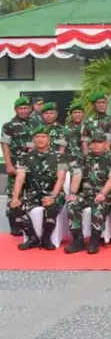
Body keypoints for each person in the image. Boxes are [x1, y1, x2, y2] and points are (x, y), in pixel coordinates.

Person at [9, 126, 67, 250]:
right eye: (37, 137)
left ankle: (46, 238)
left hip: (53, 193)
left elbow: (61, 178)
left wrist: (53, 196)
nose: (40, 139)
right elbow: (20, 178)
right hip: (34, 193)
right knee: (13, 208)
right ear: (33, 140)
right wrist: (15, 198)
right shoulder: (25, 157)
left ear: (49, 139)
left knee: (51, 207)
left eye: (44, 137)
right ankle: (32, 237)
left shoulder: (59, 156)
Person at [65, 129, 111, 254]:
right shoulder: (84, 158)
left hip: (105, 195)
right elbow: (77, 176)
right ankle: (78, 240)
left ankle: (94, 241)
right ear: (90, 144)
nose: (96, 145)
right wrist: (73, 193)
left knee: (98, 205)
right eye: (94, 142)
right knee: (72, 204)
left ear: (105, 144)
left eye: (99, 142)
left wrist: (103, 193)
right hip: (86, 194)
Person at [2, 97, 41, 236]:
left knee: (32, 193)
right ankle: (14, 225)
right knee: (14, 193)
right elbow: (5, 145)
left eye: (25, 108)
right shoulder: (9, 125)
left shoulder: (36, 122)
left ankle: (31, 224)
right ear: (15, 110)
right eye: (20, 108)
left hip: (33, 164)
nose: (23, 111)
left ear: (30, 109)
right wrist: (8, 164)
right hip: (16, 165)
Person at [80, 92, 111, 157]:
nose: (101, 105)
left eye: (103, 102)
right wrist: (86, 159)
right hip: (93, 158)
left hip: (110, 159)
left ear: (106, 104)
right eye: (99, 103)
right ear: (93, 105)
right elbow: (84, 143)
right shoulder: (88, 122)